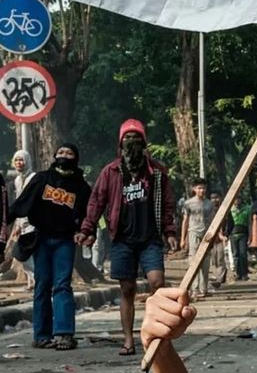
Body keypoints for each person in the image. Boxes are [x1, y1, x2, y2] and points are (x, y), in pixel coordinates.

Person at [76, 119, 177, 356]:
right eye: (127, 138)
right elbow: (96, 201)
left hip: (150, 238)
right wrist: (87, 228)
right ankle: (129, 340)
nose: (132, 142)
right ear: (120, 143)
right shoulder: (110, 171)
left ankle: (154, 332)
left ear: (144, 142)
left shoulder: (157, 172)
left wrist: (170, 231)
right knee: (127, 289)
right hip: (122, 239)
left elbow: (168, 204)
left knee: (157, 283)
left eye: (136, 138)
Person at [10, 143, 91, 350]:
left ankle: (64, 333)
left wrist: (88, 233)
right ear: (55, 155)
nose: (64, 155)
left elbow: (87, 215)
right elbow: (22, 204)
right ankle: (41, 334)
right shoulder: (41, 179)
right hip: (42, 239)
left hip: (65, 240)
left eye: (69, 153)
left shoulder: (81, 187)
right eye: (61, 152)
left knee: (62, 284)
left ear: (76, 158)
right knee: (42, 284)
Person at [180, 177, 215, 300]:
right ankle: (194, 289)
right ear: (194, 189)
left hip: (206, 235)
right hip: (193, 232)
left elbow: (213, 221)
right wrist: (182, 239)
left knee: (205, 263)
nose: (202, 190)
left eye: (204, 188)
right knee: (193, 261)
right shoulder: (188, 204)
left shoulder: (209, 204)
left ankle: (203, 289)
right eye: (199, 188)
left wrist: (214, 236)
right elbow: (185, 221)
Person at [9, 149, 36, 289]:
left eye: (21, 160)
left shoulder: (34, 178)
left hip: (35, 223)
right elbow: (19, 202)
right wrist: (18, 225)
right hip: (23, 223)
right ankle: (32, 281)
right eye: (16, 160)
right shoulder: (17, 180)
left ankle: (36, 280)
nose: (19, 163)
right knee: (21, 254)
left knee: (25, 253)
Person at [227, 195, 250, 280]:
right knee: (235, 255)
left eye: (239, 199)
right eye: (235, 199)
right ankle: (237, 273)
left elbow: (249, 223)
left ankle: (245, 273)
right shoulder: (230, 210)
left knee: (243, 254)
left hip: (243, 234)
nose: (237, 201)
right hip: (233, 234)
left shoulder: (247, 209)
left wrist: (250, 236)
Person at [209, 191, 228, 287]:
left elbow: (230, 223)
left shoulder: (224, 210)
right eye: (212, 198)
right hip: (211, 239)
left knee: (220, 259)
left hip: (221, 239)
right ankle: (219, 275)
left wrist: (226, 234)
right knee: (214, 260)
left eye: (216, 197)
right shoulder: (208, 210)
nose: (214, 200)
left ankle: (219, 279)